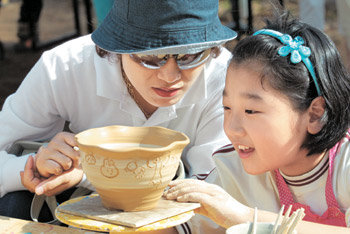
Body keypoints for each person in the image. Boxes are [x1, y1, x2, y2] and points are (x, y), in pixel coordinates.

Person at [0, 0, 237, 223]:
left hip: (172, 222)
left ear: (212, 49)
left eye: (190, 55)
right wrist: (36, 166)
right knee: (13, 205)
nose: (170, 76)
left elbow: (215, 195)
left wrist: (90, 173)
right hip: (79, 207)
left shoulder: (226, 79)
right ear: (116, 45)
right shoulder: (65, 66)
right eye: (150, 56)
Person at [165, 12, 350, 233]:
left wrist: (245, 217)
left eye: (250, 111)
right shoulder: (232, 171)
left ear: (314, 114)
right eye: (227, 108)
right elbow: (177, 229)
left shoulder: (345, 164)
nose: (232, 129)